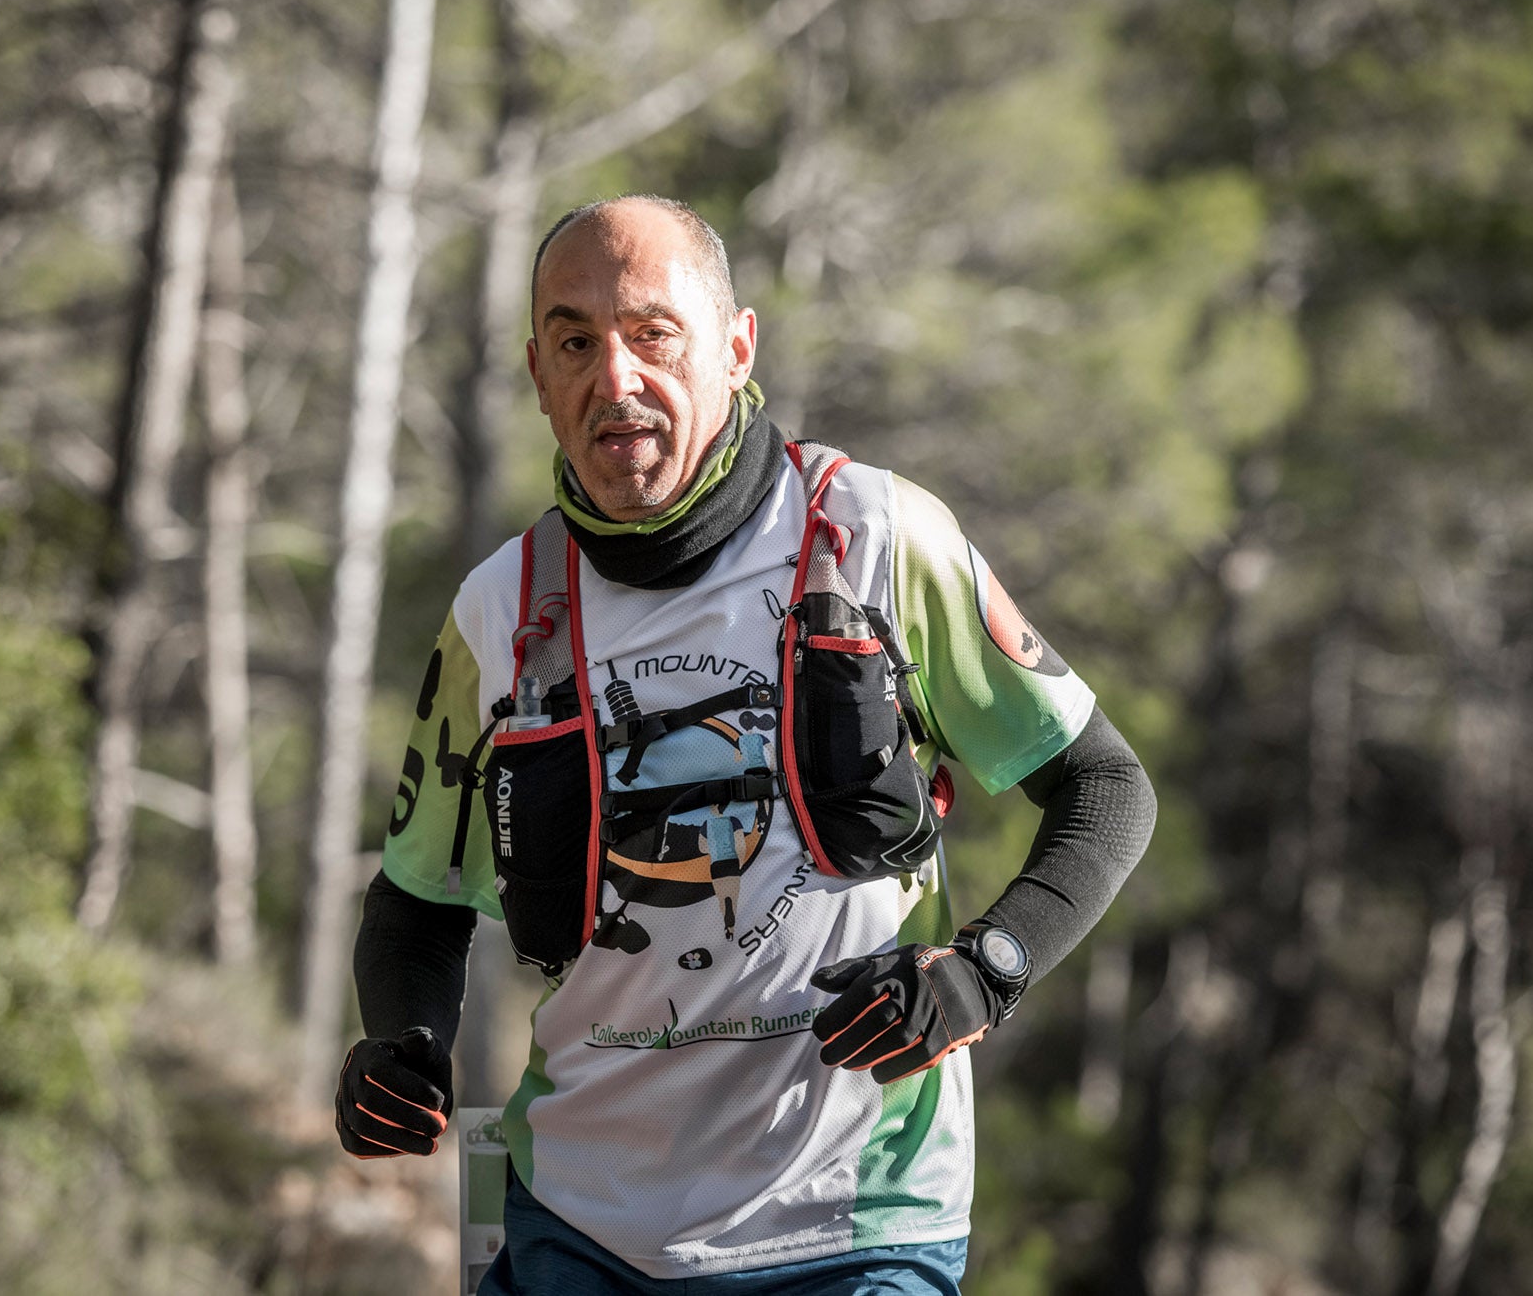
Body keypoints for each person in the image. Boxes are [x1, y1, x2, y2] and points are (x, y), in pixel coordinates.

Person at [335, 194, 1156, 1294]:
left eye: (650, 332)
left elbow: (1102, 787)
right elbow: (417, 902)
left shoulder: (873, 537)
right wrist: (403, 1047)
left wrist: (984, 968)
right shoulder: (501, 609)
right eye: (574, 340)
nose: (613, 377)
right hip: (576, 1227)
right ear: (537, 375)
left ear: (735, 346)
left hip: (852, 1225)